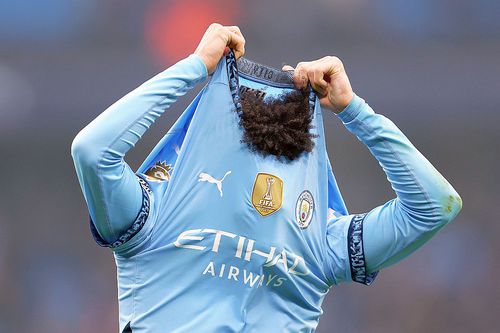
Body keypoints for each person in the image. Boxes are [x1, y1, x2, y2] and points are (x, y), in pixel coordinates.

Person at [71, 24, 462, 332]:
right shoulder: (322, 240)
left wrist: (194, 67)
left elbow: (92, 151)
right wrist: (353, 111)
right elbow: (434, 206)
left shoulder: (153, 213)